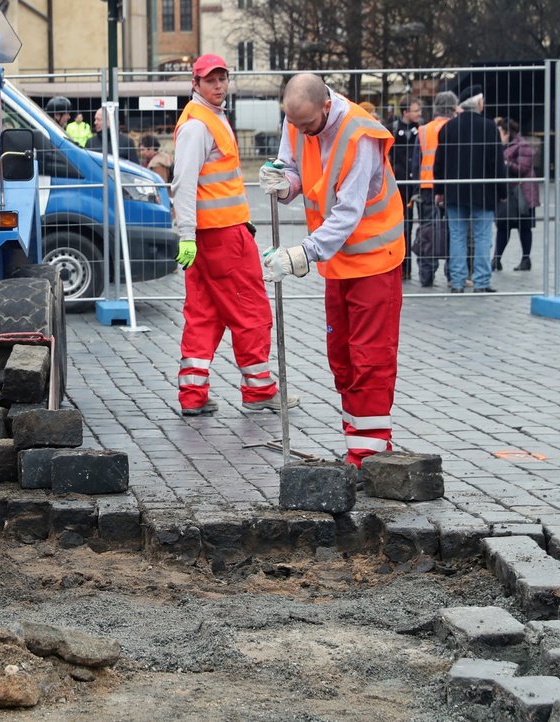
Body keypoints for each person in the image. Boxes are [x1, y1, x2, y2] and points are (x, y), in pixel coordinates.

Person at [258, 73, 404, 469]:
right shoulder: (297, 120)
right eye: (295, 124)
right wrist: (283, 184)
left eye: (307, 124)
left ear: (326, 105)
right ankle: (359, 445)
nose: (301, 132)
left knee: (369, 356)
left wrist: (302, 254)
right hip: (338, 261)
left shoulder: (360, 136)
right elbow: (296, 173)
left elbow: (348, 211)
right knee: (342, 355)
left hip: (375, 258)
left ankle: (370, 456)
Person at [172, 53, 295, 417]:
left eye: (222, 78)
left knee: (204, 314)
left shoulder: (209, 118)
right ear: (195, 84)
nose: (219, 85)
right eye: (210, 80)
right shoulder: (198, 124)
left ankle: (192, 393)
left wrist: (190, 236)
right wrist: (186, 234)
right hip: (223, 238)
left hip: (212, 238)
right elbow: (184, 182)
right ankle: (259, 391)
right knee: (251, 311)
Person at [433, 85, 506, 293]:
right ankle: (481, 281)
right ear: (477, 103)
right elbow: (497, 163)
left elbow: (440, 163)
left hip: (454, 192)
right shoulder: (489, 127)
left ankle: (457, 282)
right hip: (484, 191)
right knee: (483, 237)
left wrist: (440, 189)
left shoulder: (449, 128)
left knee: (457, 236)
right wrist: (501, 191)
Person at [412, 91, 458, 287]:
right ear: (453, 108)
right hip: (450, 187)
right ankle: (452, 274)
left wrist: (416, 189)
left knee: (428, 232)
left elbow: (416, 163)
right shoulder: (455, 128)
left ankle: (426, 274)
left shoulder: (423, 130)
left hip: (426, 188)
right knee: (453, 230)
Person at [492, 117, 539, 272]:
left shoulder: (522, 146)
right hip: (508, 193)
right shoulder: (503, 146)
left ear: (507, 133)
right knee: (503, 226)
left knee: (524, 227)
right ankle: (496, 259)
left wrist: (506, 163)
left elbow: (522, 169)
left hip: (522, 195)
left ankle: (526, 259)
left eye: (499, 132)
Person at [389, 97, 421, 279]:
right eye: (416, 110)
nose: (419, 114)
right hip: (399, 185)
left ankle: (421, 266)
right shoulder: (393, 129)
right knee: (402, 227)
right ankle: (403, 267)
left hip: (416, 185)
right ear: (405, 112)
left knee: (422, 226)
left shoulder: (421, 131)